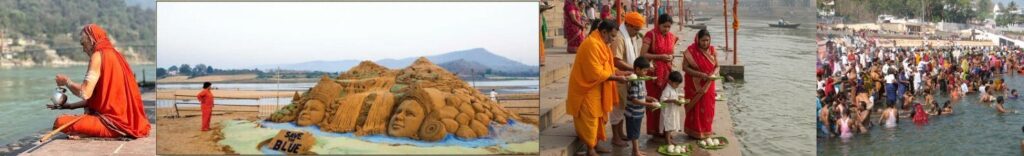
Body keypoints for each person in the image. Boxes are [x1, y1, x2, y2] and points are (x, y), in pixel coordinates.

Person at [48, 24, 150, 139]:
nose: (83, 49)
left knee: (59, 121)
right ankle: (87, 131)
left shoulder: (98, 56)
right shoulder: (117, 55)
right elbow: (97, 99)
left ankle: (90, 132)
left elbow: (84, 93)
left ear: (92, 40)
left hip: (114, 125)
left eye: (83, 44)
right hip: (131, 122)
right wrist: (70, 106)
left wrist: (67, 81)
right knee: (87, 111)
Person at [565, 19, 629, 156]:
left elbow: (607, 67)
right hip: (586, 88)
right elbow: (595, 71)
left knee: (600, 117)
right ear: (604, 32)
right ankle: (590, 149)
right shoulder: (592, 44)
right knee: (591, 119)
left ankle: (596, 144)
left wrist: (621, 73)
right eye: (612, 36)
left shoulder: (602, 43)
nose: (613, 39)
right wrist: (617, 78)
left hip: (598, 86)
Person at [609, 12, 645, 147]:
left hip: (627, 78)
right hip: (619, 78)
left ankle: (620, 133)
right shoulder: (620, 38)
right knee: (617, 109)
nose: (637, 33)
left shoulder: (629, 37)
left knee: (623, 108)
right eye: (636, 30)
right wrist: (635, 69)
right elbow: (616, 61)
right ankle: (615, 137)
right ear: (628, 25)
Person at [641, 14, 678, 136]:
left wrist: (671, 57)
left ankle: (665, 130)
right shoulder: (650, 35)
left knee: (666, 101)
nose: (666, 29)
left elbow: (672, 53)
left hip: (667, 74)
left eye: (668, 27)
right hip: (653, 74)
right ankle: (655, 131)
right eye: (664, 26)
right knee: (654, 101)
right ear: (658, 24)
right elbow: (643, 54)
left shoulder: (671, 37)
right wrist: (660, 57)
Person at [681, 28, 718, 139]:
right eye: (703, 40)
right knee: (695, 108)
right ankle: (694, 131)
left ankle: (706, 130)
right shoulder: (690, 51)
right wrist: (700, 74)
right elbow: (685, 67)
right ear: (698, 40)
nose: (705, 43)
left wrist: (714, 74)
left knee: (708, 108)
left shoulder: (712, 51)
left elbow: (717, 66)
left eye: (707, 40)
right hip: (693, 85)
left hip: (709, 84)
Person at [624, 57, 660, 156]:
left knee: (636, 131)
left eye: (646, 71)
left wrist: (650, 98)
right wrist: (648, 105)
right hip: (632, 113)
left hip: (638, 112)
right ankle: (636, 152)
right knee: (634, 133)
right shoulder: (634, 82)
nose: (646, 73)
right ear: (637, 69)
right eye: (644, 71)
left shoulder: (641, 80)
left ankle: (635, 151)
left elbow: (642, 95)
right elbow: (634, 100)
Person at [660, 71, 684, 145]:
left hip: (673, 111)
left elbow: (675, 96)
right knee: (668, 126)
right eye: (676, 84)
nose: (677, 86)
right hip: (668, 112)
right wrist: (673, 101)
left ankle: (669, 140)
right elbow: (662, 99)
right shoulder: (667, 89)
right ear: (670, 81)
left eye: (678, 84)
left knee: (671, 125)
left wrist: (679, 100)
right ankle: (667, 141)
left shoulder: (673, 88)